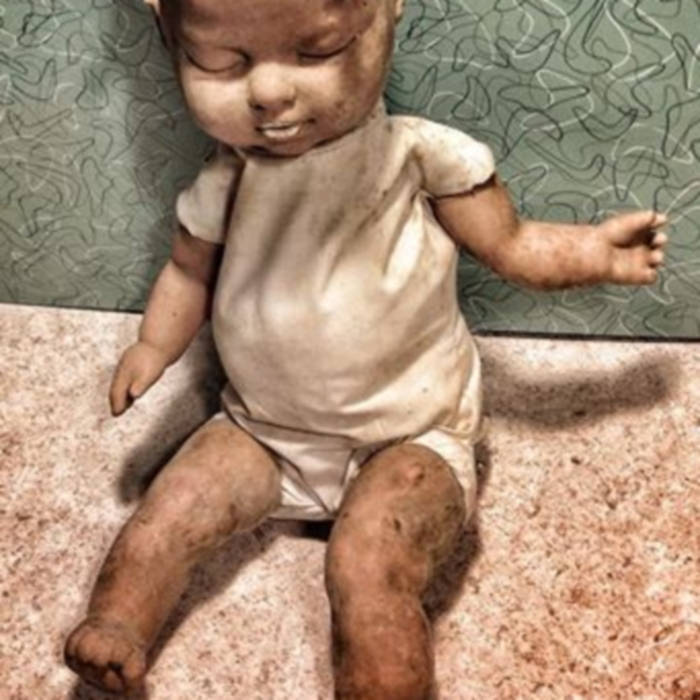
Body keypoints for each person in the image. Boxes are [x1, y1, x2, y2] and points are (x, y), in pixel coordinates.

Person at [64, 0, 667, 697]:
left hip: (410, 440)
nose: (268, 91)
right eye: (219, 62)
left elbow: (512, 243)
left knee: (367, 567)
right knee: (171, 506)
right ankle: (118, 620)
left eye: (318, 51)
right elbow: (188, 271)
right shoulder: (227, 178)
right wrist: (152, 344)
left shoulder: (416, 155)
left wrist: (594, 253)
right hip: (263, 430)